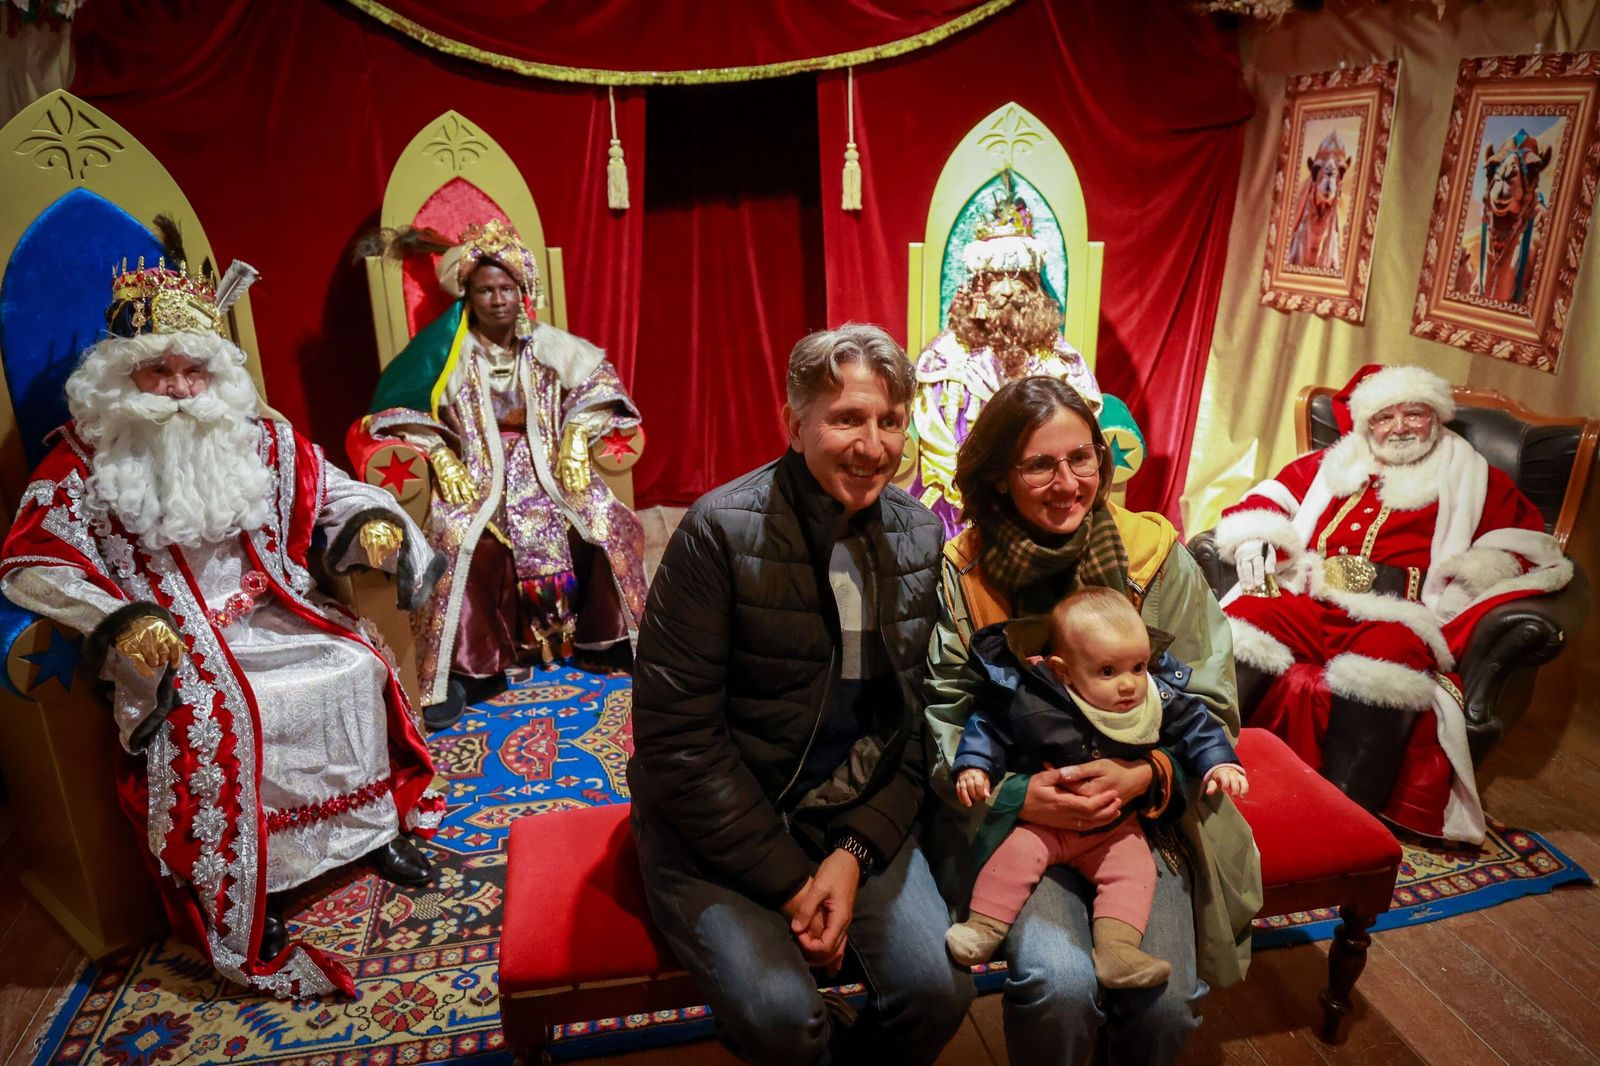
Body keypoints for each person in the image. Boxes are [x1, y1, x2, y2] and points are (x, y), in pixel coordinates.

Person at [0, 247, 444, 998]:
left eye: (192, 372)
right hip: (169, 640)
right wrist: (116, 619)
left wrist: (373, 520)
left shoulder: (257, 437)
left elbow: (331, 487)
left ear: (216, 375)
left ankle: (372, 834)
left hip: (272, 613)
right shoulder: (79, 464)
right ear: (121, 375)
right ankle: (246, 888)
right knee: (224, 711)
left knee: (354, 662)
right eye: (157, 372)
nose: (176, 389)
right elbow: (32, 562)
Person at [627, 324, 974, 1065]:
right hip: (717, 826)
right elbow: (676, 742)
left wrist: (851, 854)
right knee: (781, 1017)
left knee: (937, 991)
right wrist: (791, 883)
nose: (872, 445)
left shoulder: (916, 534)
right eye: (846, 418)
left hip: (850, 814)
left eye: (889, 421)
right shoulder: (717, 532)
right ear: (793, 424)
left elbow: (911, 729)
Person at [924, 375, 1260, 1066]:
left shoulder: (1153, 556)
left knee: (1165, 1000)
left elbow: (1210, 698)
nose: (1068, 482)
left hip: (1147, 819)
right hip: (1022, 824)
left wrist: (1147, 774)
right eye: (1040, 464)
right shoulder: (966, 576)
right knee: (1058, 982)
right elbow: (946, 717)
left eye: (1082, 458)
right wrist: (1019, 795)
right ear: (997, 478)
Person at [1216, 363, 1571, 842]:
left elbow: (1523, 541)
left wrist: (1471, 578)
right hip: (1312, 593)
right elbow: (1268, 499)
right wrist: (1256, 537)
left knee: (1390, 658)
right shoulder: (1335, 463)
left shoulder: (1470, 473)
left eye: (1415, 414)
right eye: (1386, 416)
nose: (1400, 427)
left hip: (1397, 609)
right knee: (1245, 619)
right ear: (1366, 422)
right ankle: (1207, 767)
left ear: (1436, 417)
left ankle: (1342, 817)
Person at [355, 220, 646, 730]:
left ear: (522, 293)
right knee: (457, 542)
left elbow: (599, 388)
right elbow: (394, 409)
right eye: (485, 290)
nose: (497, 300)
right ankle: (469, 669)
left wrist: (577, 435)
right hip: (478, 475)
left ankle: (611, 638)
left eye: (506, 289)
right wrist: (441, 456)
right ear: (468, 295)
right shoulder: (442, 354)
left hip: (548, 467)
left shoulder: (552, 346)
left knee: (606, 523)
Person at [947, 587, 1248, 991]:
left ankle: (1119, 951)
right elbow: (989, 726)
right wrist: (975, 766)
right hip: (1044, 823)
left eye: (1138, 667)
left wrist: (1220, 761)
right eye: (1108, 672)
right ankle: (983, 927)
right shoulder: (1032, 698)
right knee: (1015, 856)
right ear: (1063, 670)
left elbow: (1198, 724)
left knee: (1134, 870)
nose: (1128, 685)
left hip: (1116, 825)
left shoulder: (1156, 697)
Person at [909, 176, 1102, 538]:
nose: (1008, 290)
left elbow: (1085, 433)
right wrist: (973, 491)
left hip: (1047, 498)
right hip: (960, 505)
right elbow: (934, 440)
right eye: (997, 278)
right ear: (976, 290)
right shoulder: (945, 359)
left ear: (1036, 290)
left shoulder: (1062, 362)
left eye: (1019, 279)